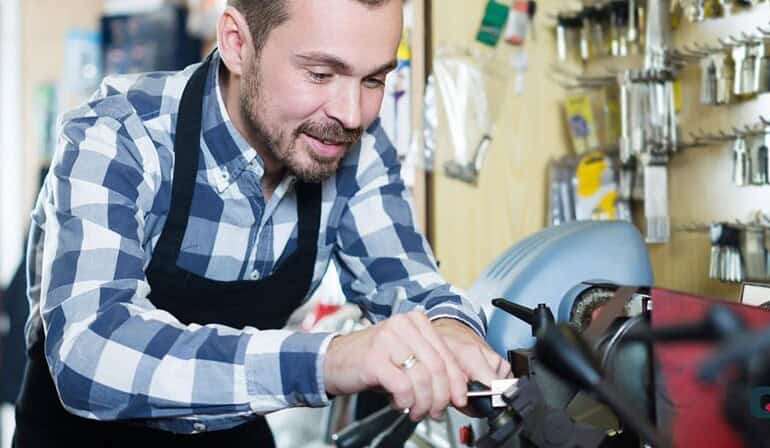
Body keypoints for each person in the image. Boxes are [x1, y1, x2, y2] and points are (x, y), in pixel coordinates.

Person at [14, 0, 510, 446]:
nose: (351, 114)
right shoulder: (119, 133)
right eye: (321, 74)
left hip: (229, 433)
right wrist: (331, 360)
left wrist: (450, 329)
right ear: (237, 44)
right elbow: (91, 351)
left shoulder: (356, 146)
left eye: (374, 80)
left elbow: (410, 283)